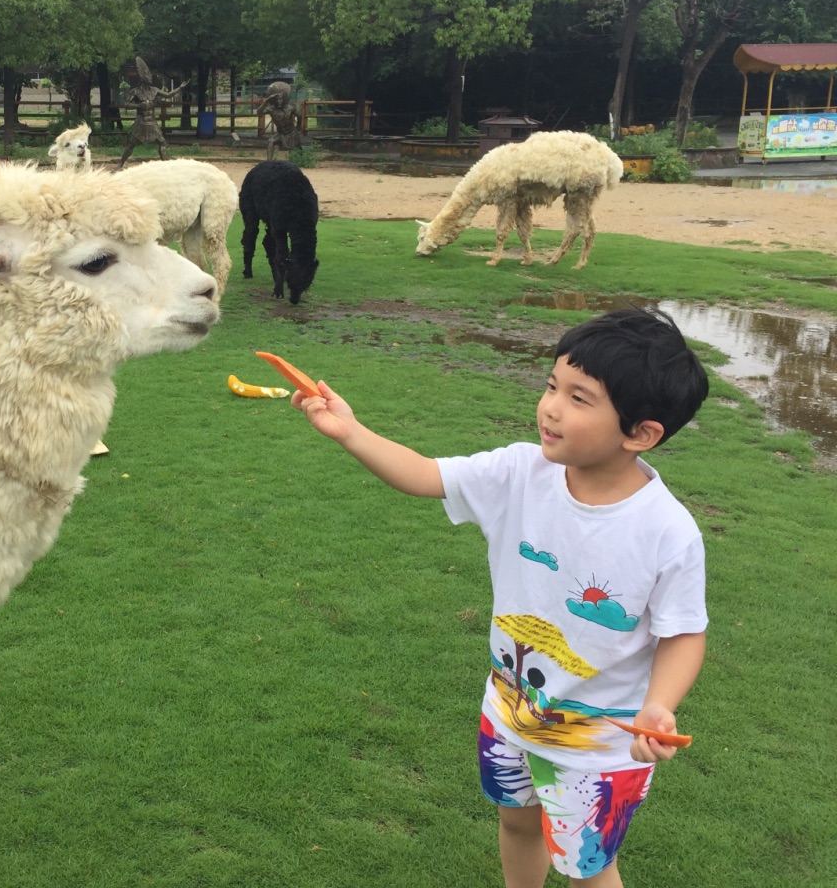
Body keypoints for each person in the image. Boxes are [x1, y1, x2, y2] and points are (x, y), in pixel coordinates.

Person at [290, 306, 710, 887]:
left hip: (599, 748)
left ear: (640, 434)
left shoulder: (668, 531)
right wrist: (350, 431)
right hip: (508, 714)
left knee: (588, 869)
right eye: (552, 385)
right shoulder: (520, 471)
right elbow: (426, 475)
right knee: (516, 826)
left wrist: (659, 705)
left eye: (580, 398)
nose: (551, 406)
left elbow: (684, 631)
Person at [255, 80, 304, 159]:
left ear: (284, 99)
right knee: (271, 141)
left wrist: (298, 126)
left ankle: (302, 159)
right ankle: (269, 163)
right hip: (281, 133)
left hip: (292, 132)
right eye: (277, 99)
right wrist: (266, 100)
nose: (279, 101)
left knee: (298, 149)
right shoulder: (271, 109)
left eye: (281, 99)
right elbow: (259, 113)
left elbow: (300, 116)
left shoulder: (290, 108)